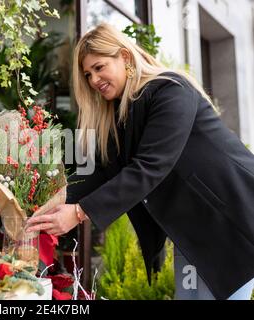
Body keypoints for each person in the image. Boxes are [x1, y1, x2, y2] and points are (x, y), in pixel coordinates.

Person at [26, 23, 254, 300]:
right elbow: (101, 175)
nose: (93, 80)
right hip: (193, 232)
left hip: (234, 217)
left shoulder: (171, 90)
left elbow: (150, 166)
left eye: (99, 67)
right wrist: (44, 201)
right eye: (87, 74)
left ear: (124, 56)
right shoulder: (119, 118)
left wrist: (77, 213)